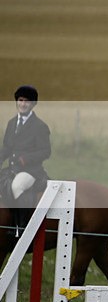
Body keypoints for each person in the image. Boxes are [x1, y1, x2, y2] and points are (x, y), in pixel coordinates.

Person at [0, 85, 51, 229]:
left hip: (31, 171)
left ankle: (22, 226)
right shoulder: (11, 123)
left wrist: (26, 159)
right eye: (20, 100)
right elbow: (7, 147)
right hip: (12, 169)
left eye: (27, 101)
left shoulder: (40, 126)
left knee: (16, 187)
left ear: (33, 104)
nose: (23, 104)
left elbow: (46, 151)